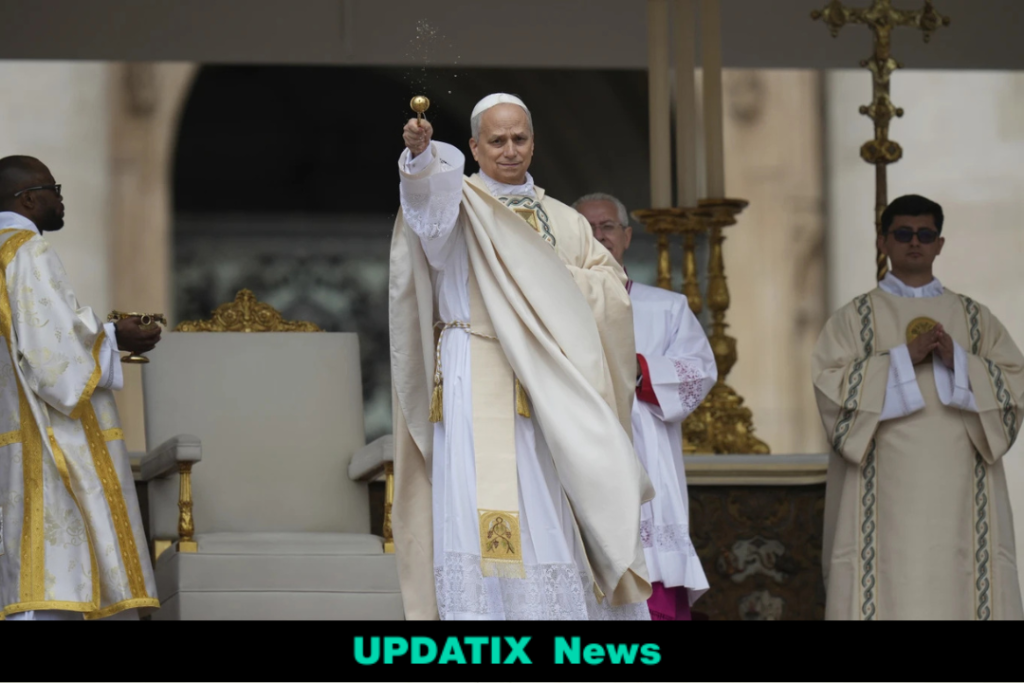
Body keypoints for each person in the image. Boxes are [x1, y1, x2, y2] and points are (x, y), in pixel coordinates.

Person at [390, 94, 653, 620]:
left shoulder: (565, 220)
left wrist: (551, 280)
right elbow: (426, 212)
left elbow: (613, 292)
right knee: (480, 503)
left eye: (520, 139)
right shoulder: (458, 203)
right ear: (473, 146)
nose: (509, 151)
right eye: (496, 140)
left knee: (549, 497)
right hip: (477, 367)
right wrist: (420, 159)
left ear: (533, 142)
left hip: (550, 379)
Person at [812, 194, 1024, 620]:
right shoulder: (854, 318)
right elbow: (830, 385)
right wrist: (903, 358)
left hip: (962, 483)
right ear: (883, 242)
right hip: (883, 481)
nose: (915, 243)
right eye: (903, 234)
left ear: (939, 244)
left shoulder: (975, 318)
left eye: (925, 234)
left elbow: (1013, 385)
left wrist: (958, 362)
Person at [0, 155, 161, 621]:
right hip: (44, 436)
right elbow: (51, 358)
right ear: (28, 198)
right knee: (52, 580)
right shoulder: (29, 252)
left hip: (12, 424)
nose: (61, 198)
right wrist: (115, 336)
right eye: (53, 188)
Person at [575, 192, 716, 621]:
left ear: (627, 236)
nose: (599, 237)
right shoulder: (548, 307)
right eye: (587, 229)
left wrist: (635, 368)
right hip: (576, 458)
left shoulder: (666, 307)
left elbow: (699, 371)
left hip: (646, 464)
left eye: (608, 227)